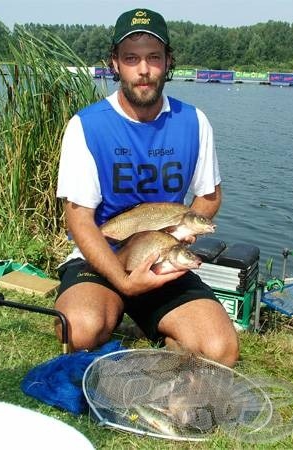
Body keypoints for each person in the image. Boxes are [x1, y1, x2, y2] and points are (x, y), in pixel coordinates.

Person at [55, 8, 239, 367]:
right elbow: (79, 219)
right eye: (131, 58)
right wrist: (122, 280)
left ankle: (151, 323)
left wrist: (185, 228)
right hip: (104, 257)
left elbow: (209, 196)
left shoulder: (194, 121)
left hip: (164, 257)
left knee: (220, 351)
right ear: (115, 64)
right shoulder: (86, 126)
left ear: (168, 62)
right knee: (79, 330)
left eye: (154, 58)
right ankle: (113, 302)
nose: (143, 70)